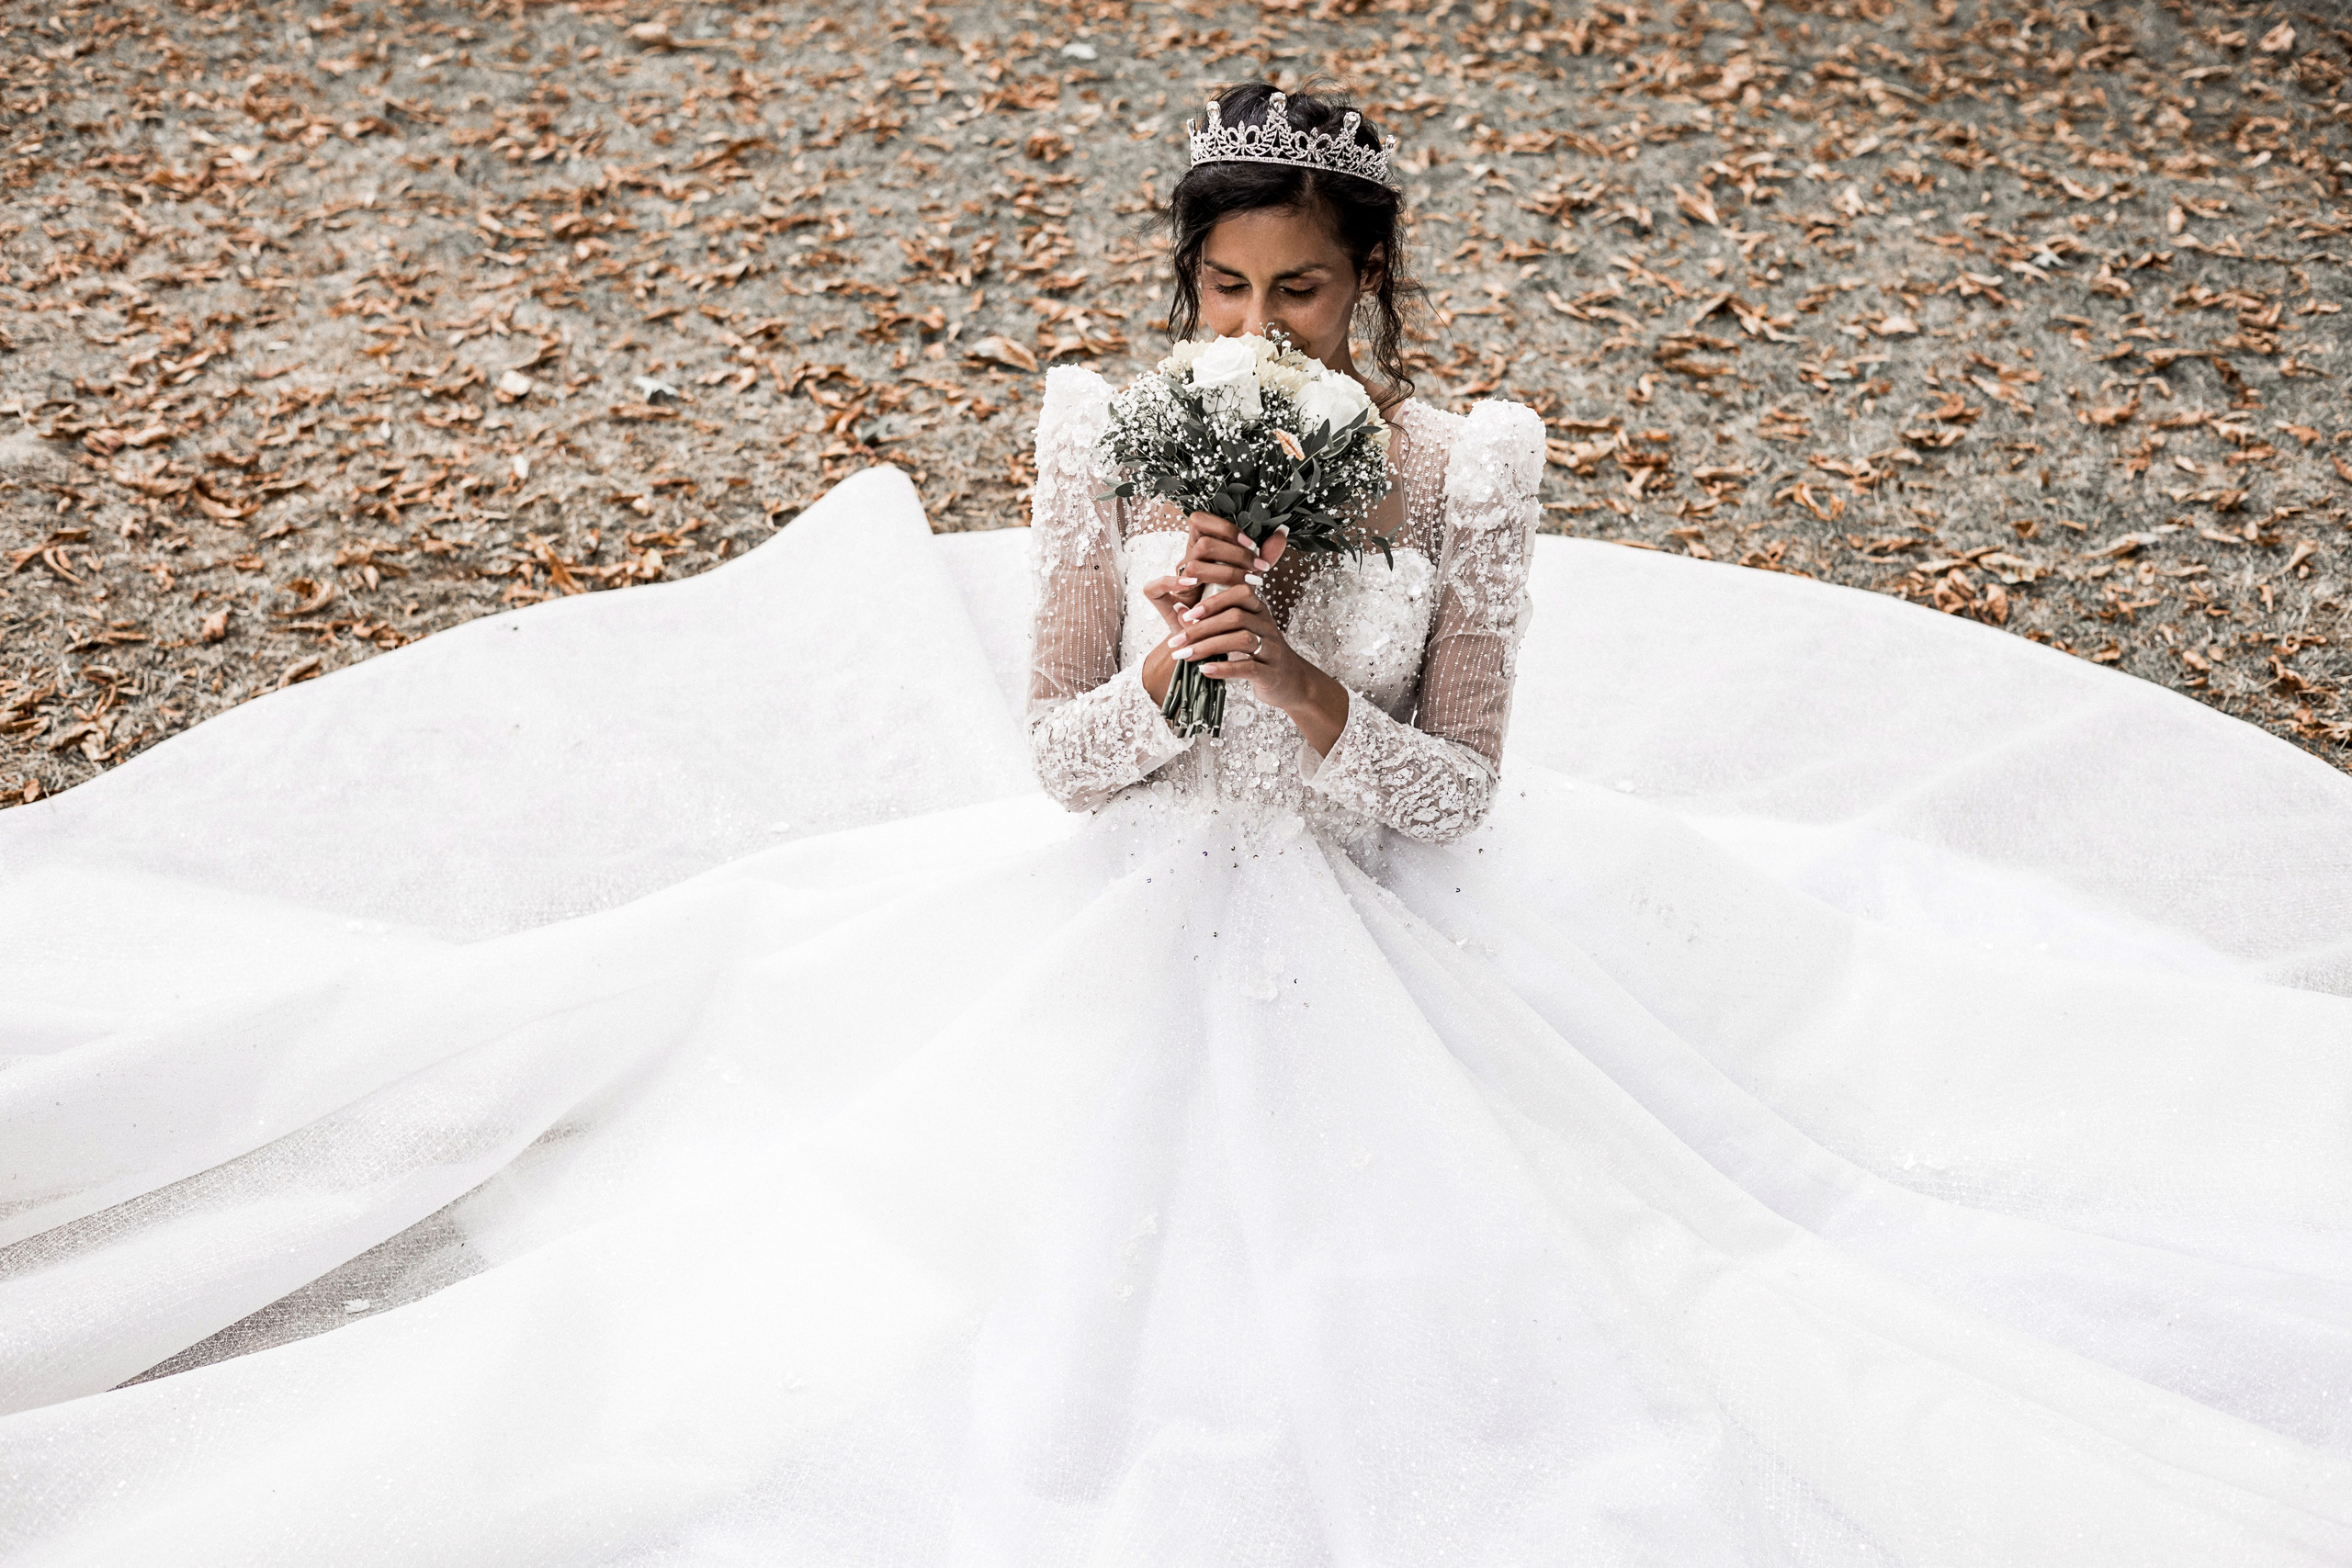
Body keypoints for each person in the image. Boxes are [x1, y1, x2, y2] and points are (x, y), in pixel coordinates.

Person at [1, 83, 2348, 1567]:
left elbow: (1448, 797)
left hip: (1394, 927)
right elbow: (1049, 761)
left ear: (1370, 297)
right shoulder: (1101, 432)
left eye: (1302, 296)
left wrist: (1302, 667)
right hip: (1121, 913)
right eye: (1224, 292)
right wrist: (1160, 661)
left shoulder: (1457, 469)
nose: (1260, 329)